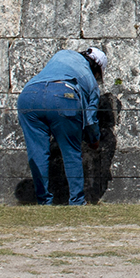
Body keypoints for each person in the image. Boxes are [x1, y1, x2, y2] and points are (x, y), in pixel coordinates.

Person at [17, 46, 106, 205]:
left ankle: (43, 201)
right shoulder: (91, 81)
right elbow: (90, 119)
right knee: (71, 150)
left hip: (29, 95)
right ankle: (77, 201)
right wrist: (94, 140)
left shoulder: (62, 54)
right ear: (97, 70)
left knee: (37, 152)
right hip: (64, 95)